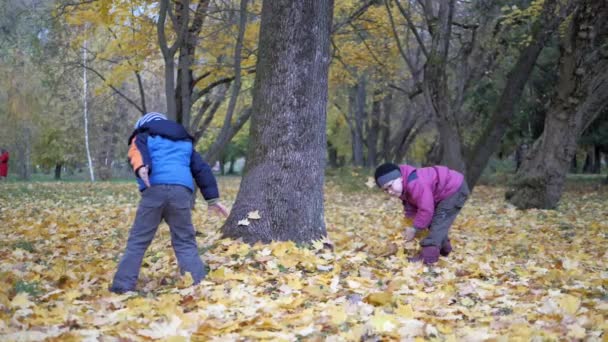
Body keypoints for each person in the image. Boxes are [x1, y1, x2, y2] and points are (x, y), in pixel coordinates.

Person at [110, 112, 229, 294]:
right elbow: (202, 169)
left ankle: (122, 286)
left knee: (138, 241)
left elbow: (137, 153)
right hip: (181, 193)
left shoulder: (142, 135)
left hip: (154, 191)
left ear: (143, 125)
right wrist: (212, 199)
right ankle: (197, 284)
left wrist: (142, 168)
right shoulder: (185, 142)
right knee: (185, 240)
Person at [374, 162, 469, 264]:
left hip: (454, 189)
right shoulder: (404, 188)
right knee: (431, 222)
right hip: (442, 193)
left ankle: (428, 259)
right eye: (385, 190)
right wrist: (410, 225)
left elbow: (426, 209)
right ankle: (444, 250)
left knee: (438, 222)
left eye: (390, 186)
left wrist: (415, 228)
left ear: (400, 178)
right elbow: (412, 208)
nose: (390, 192)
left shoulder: (415, 183)